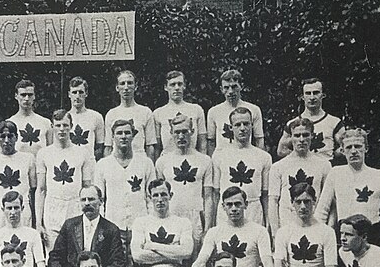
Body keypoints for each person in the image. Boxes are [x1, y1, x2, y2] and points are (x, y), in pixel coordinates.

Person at [188, 187, 273, 267]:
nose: (234, 208)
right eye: (229, 204)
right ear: (223, 206)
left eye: (238, 204)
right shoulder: (214, 232)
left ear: (246, 205)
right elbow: (200, 262)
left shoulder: (259, 231)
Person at [41, 185, 128, 267]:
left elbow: (118, 261)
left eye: (91, 199)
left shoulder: (111, 229)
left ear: (101, 201)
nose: (87, 203)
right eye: (83, 200)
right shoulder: (69, 225)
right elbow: (56, 255)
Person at [315, 128, 380, 240]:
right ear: (342, 151)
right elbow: (322, 210)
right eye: (349, 147)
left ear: (366, 148)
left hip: (372, 235)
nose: (353, 151)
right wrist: (317, 236)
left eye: (357, 146)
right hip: (345, 235)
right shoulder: (336, 173)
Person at [94, 119, 156, 257]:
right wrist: (102, 226)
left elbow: (151, 198)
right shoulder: (103, 165)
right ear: (113, 136)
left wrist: (151, 222)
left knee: (138, 266)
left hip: (140, 225)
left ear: (133, 136)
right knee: (116, 265)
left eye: (127, 133)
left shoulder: (145, 163)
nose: (123, 136)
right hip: (113, 225)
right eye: (119, 133)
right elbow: (99, 200)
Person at [154, 113, 213, 255]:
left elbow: (208, 197)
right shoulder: (162, 162)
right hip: (171, 216)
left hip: (195, 216)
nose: (181, 136)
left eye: (185, 132)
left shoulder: (204, 160)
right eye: (177, 132)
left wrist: (207, 229)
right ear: (171, 133)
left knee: (196, 261)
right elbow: (158, 196)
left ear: (192, 132)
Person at [36, 109, 95, 248]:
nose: (62, 129)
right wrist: (39, 223)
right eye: (58, 125)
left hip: (75, 208)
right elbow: (41, 189)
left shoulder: (82, 153)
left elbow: (87, 188)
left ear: (71, 126)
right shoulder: (44, 153)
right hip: (52, 210)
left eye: (65, 125)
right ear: (52, 127)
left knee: (78, 255)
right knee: (53, 255)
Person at [268, 118, 331, 234]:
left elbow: (328, 200)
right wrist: (275, 233)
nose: (301, 139)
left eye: (305, 135)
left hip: (315, 226)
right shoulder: (278, 166)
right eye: (297, 135)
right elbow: (273, 202)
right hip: (287, 226)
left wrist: (326, 229)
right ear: (291, 138)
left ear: (312, 136)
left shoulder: (324, 165)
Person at [211, 107, 271, 226]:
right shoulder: (219, 155)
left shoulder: (263, 157)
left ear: (252, 125)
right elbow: (215, 194)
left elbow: (265, 195)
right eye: (238, 124)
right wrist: (212, 224)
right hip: (226, 213)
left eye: (246, 124)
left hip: (253, 211)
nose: (242, 128)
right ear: (231, 127)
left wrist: (268, 223)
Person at [0, 191, 47, 267]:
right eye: (9, 208)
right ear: (3, 209)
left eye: (16, 208)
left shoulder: (33, 234)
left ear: (22, 208)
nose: (12, 212)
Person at [0, 120, 37, 232]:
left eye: (10, 136)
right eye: (3, 136)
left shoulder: (28, 158)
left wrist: (36, 218)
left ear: (16, 137)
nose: (6, 140)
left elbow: (33, 190)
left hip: (22, 210)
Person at [276, 78, 344, 161]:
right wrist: (300, 156)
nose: (312, 97)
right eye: (308, 93)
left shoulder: (334, 122)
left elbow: (346, 146)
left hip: (326, 168)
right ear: (302, 97)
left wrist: (332, 155)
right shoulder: (293, 123)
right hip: (302, 168)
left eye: (316, 93)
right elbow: (281, 150)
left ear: (323, 95)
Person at [206, 69, 265, 155]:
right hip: (222, 158)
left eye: (234, 87)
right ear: (221, 89)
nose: (230, 92)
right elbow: (211, 142)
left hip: (246, 156)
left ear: (241, 86)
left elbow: (259, 139)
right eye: (226, 87)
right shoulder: (214, 111)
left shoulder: (253, 109)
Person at [103, 70, 157, 160]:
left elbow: (150, 146)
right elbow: (108, 147)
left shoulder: (145, 112)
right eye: (122, 83)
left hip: (139, 160)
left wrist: (149, 167)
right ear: (117, 88)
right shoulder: (111, 114)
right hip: (117, 162)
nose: (126, 87)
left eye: (130, 83)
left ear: (135, 87)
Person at [153, 70, 208, 155]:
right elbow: (157, 146)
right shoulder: (158, 113)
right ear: (165, 87)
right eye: (172, 84)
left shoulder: (196, 110)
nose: (177, 87)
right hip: (168, 159)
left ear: (184, 86)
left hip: (192, 158)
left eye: (180, 84)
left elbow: (202, 143)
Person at [7, 80, 52, 156]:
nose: (27, 98)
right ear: (16, 96)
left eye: (30, 95)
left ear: (34, 96)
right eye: (23, 95)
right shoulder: (10, 123)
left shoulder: (45, 123)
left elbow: (52, 151)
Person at [66, 76, 105, 160]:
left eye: (81, 92)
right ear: (69, 94)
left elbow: (99, 146)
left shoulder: (96, 117)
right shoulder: (64, 118)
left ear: (86, 93)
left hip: (89, 164)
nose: (77, 96)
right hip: (70, 163)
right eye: (74, 92)